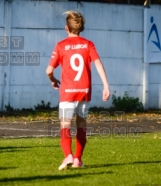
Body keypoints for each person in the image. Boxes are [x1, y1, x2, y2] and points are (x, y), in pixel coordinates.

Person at [46, 10, 110, 170]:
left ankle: (68, 155)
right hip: (84, 91)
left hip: (68, 91)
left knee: (65, 125)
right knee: (81, 124)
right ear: (81, 28)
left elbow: (48, 70)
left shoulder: (61, 46)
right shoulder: (88, 44)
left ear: (66, 28)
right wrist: (106, 85)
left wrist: (53, 80)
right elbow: (98, 63)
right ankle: (77, 160)